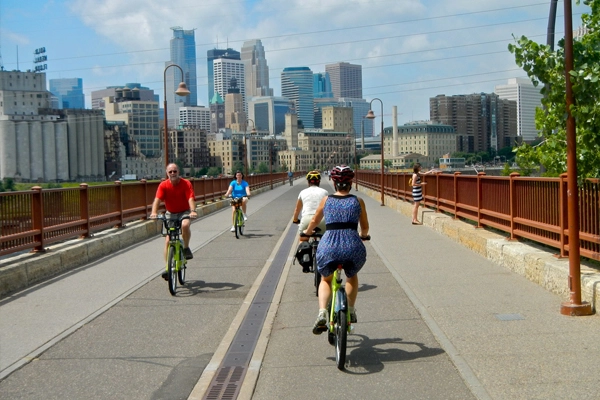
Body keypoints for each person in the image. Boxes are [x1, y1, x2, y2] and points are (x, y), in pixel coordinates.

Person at [303, 165, 370, 335]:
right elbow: (365, 227)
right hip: (352, 246)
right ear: (350, 183)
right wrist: (363, 236)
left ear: (334, 183)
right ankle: (351, 310)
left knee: (325, 280)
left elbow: (314, 221)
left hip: (329, 246)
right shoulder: (358, 201)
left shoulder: (326, 200)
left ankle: (322, 312)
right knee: (351, 275)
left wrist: (307, 233)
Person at [150, 164, 197, 279]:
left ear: (178, 172)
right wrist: (154, 212)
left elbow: (190, 198)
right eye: (170, 172)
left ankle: (185, 248)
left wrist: (193, 211)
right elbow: (157, 200)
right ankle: (168, 268)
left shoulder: (186, 183)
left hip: (184, 211)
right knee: (167, 241)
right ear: (167, 173)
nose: (172, 173)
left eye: (174, 171)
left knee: (185, 225)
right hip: (170, 213)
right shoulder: (163, 185)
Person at [292, 171, 329, 272]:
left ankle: (305, 261)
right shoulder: (325, 192)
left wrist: (295, 219)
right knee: (326, 240)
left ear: (308, 182)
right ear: (319, 182)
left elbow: (297, 209)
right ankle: (326, 260)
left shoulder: (302, 192)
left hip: (306, 219)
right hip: (321, 219)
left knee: (303, 239)